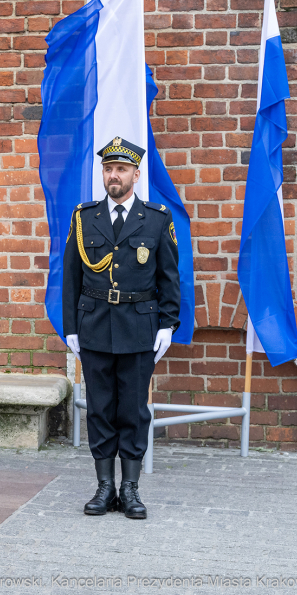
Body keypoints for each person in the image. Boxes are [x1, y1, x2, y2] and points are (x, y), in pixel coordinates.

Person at [62, 137, 180, 520]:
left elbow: (169, 277)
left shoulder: (157, 218)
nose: (114, 176)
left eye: (122, 169)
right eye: (109, 169)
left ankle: (130, 489)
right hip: (94, 324)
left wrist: (168, 323)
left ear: (136, 174)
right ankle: (104, 487)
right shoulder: (85, 217)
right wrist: (71, 328)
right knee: (99, 409)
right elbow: (70, 277)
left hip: (138, 327)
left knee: (132, 409)